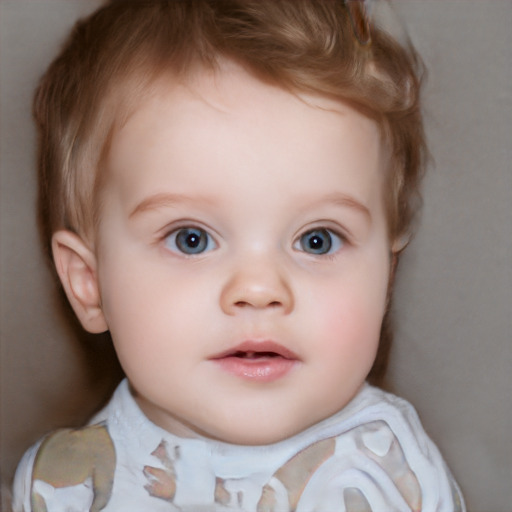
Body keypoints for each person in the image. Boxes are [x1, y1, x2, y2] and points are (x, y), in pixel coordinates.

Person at [12, 1, 465, 510]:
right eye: (191, 239)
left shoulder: (390, 470)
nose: (259, 288)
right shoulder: (63, 485)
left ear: (386, 275)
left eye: (318, 239)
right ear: (89, 283)